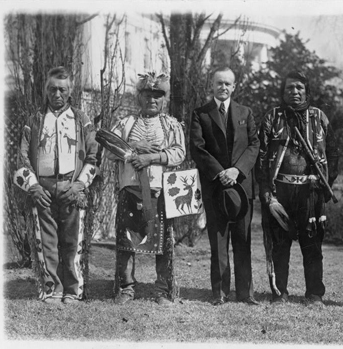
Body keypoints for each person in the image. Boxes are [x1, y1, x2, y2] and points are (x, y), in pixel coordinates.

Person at [15, 66, 99, 304]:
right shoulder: (34, 121)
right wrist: (34, 187)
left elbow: (94, 157)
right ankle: (52, 289)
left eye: (62, 89)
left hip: (71, 188)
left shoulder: (81, 120)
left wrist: (80, 185)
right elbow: (21, 159)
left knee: (73, 242)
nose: (57, 94)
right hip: (43, 189)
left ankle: (73, 291)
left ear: (70, 91)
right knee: (47, 241)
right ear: (46, 91)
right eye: (52, 89)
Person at [257, 71, 339, 305]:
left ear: (307, 91)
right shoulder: (273, 117)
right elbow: (262, 157)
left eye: (299, 88)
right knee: (280, 245)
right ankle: (279, 292)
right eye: (289, 88)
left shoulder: (319, 117)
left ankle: (314, 294)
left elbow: (333, 152)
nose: (294, 92)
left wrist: (327, 183)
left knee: (312, 244)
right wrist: (265, 190)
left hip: (311, 191)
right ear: (283, 93)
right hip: (280, 190)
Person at [105, 72, 185, 306]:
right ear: (139, 97)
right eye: (147, 95)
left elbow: (179, 153)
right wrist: (133, 148)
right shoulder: (125, 123)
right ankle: (126, 288)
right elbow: (110, 150)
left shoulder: (171, 124)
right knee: (126, 242)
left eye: (157, 96)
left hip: (159, 192)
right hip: (130, 190)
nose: (152, 100)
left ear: (164, 99)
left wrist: (151, 157)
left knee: (162, 243)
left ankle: (161, 290)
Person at [190, 67, 260, 306]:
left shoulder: (246, 112)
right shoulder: (201, 114)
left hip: (242, 187)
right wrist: (221, 173)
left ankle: (245, 293)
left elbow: (254, 145)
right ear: (212, 85)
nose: (223, 87)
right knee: (218, 242)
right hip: (215, 188)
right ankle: (219, 292)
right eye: (219, 83)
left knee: (243, 240)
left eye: (228, 84)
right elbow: (197, 149)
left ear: (234, 86)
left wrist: (237, 170)